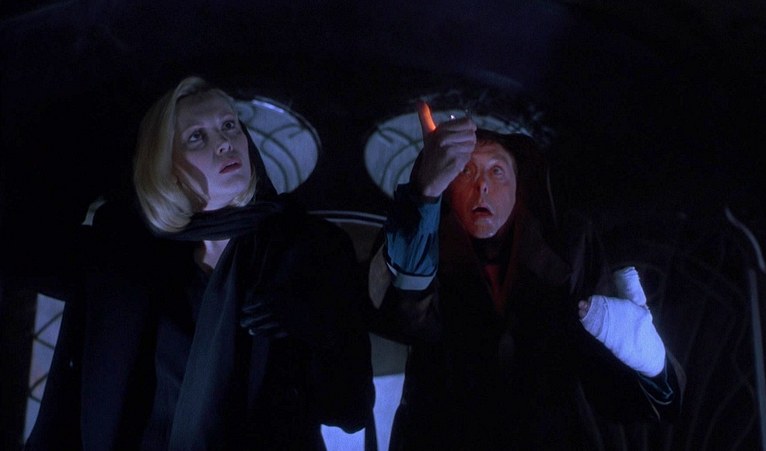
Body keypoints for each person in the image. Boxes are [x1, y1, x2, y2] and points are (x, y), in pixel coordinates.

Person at [25, 76, 375, 450]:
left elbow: (350, 410)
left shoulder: (310, 248)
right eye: (197, 137)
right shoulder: (128, 254)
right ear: (165, 164)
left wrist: (316, 329)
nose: (224, 142)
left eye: (229, 125)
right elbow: (27, 254)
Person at [367, 102, 684, 450]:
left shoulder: (568, 246)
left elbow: (615, 393)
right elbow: (402, 315)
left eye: (497, 171)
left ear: (520, 188)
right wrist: (424, 195)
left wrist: (650, 360)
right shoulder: (429, 244)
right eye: (466, 172)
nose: (482, 186)